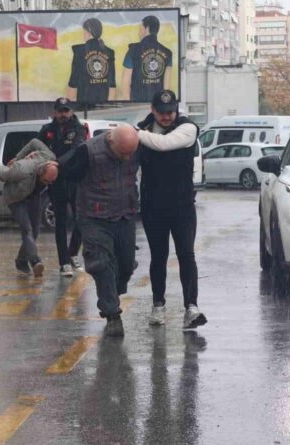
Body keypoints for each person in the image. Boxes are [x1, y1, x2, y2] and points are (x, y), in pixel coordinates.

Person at [58, 124, 140, 337]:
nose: (127, 157)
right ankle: (112, 313)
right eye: (123, 153)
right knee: (100, 264)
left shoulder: (135, 147)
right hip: (95, 218)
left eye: (131, 153)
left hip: (125, 215)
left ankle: (114, 290)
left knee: (127, 264)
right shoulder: (88, 151)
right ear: (111, 141)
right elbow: (63, 171)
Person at [137, 90, 207, 329]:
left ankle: (191, 307)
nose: (167, 117)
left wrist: (135, 133)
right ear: (152, 109)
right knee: (159, 257)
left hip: (182, 205)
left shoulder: (187, 128)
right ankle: (158, 306)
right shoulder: (143, 129)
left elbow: (164, 144)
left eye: (170, 112)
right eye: (162, 112)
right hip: (153, 205)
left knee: (186, 255)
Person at [39, 98, 88, 277]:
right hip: (56, 181)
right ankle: (63, 262)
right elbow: (38, 149)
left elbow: (76, 150)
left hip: (74, 178)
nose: (63, 114)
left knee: (80, 219)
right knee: (60, 221)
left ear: (71, 111)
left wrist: (56, 163)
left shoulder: (79, 129)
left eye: (66, 111)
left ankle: (73, 253)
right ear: (55, 112)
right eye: (60, 111)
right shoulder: (47, 130)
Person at [0, 139, 59, 278]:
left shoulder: (50, 157)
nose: (49, 184)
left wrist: (20, 154)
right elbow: (0, 174)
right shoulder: (22, 169)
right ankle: (36, 262)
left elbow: (35, 142)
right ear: (39, 173)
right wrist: (16, 161)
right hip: (16, 198)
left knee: (35, 231)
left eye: (51, 182)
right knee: (27, 229)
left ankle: (21, 261)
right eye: (46, 181)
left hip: (33, 196)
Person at [121, 15, 173, 102]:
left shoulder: (133, 50)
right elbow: (166, 87)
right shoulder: (168, 53)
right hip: (157, 104)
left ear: (147, 28)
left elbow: (125, 81)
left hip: (136, 103)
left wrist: (128, 102)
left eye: (140, 28)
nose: (139, 32)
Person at [67, 18, 116, 105]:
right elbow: (112, 85)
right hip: (102, 105)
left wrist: (70, 105)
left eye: (84, 31)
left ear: (88, 31)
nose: (83, 34)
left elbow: (73, 83)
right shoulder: (109, 52)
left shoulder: (79, 51)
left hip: (84, 104)